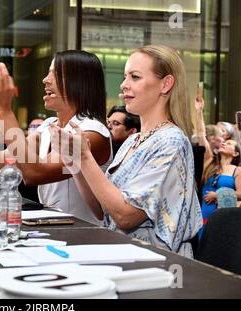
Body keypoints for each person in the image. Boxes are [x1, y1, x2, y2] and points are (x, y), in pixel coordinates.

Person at [50, 45, 202, 258]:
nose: (123, 85)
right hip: (123, 254)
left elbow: (126, 216)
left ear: (165, 84)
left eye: (135, 77)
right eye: (125, 77)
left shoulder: (171, 141)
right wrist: (74, 159)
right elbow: (101, 209)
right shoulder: (133, 141)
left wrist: (84, 157)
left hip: (156, 264)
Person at [0, 50, 112, 225]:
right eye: (48, 73)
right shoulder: (48, 126)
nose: (46, 80)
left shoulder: (93, 132)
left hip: (86, 237)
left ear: (81, 82)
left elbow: (34, 173)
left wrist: (5, 111)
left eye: (56, 74)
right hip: (53, 230)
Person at [199, 139, 241, 238]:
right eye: (223, 142)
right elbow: (202, 140)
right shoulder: (210, 164)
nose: (223, 143)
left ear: (235, 153)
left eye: (228, 143)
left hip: (221, 215)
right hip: (202, 214)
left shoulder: (238, 170)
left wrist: (217, 195)